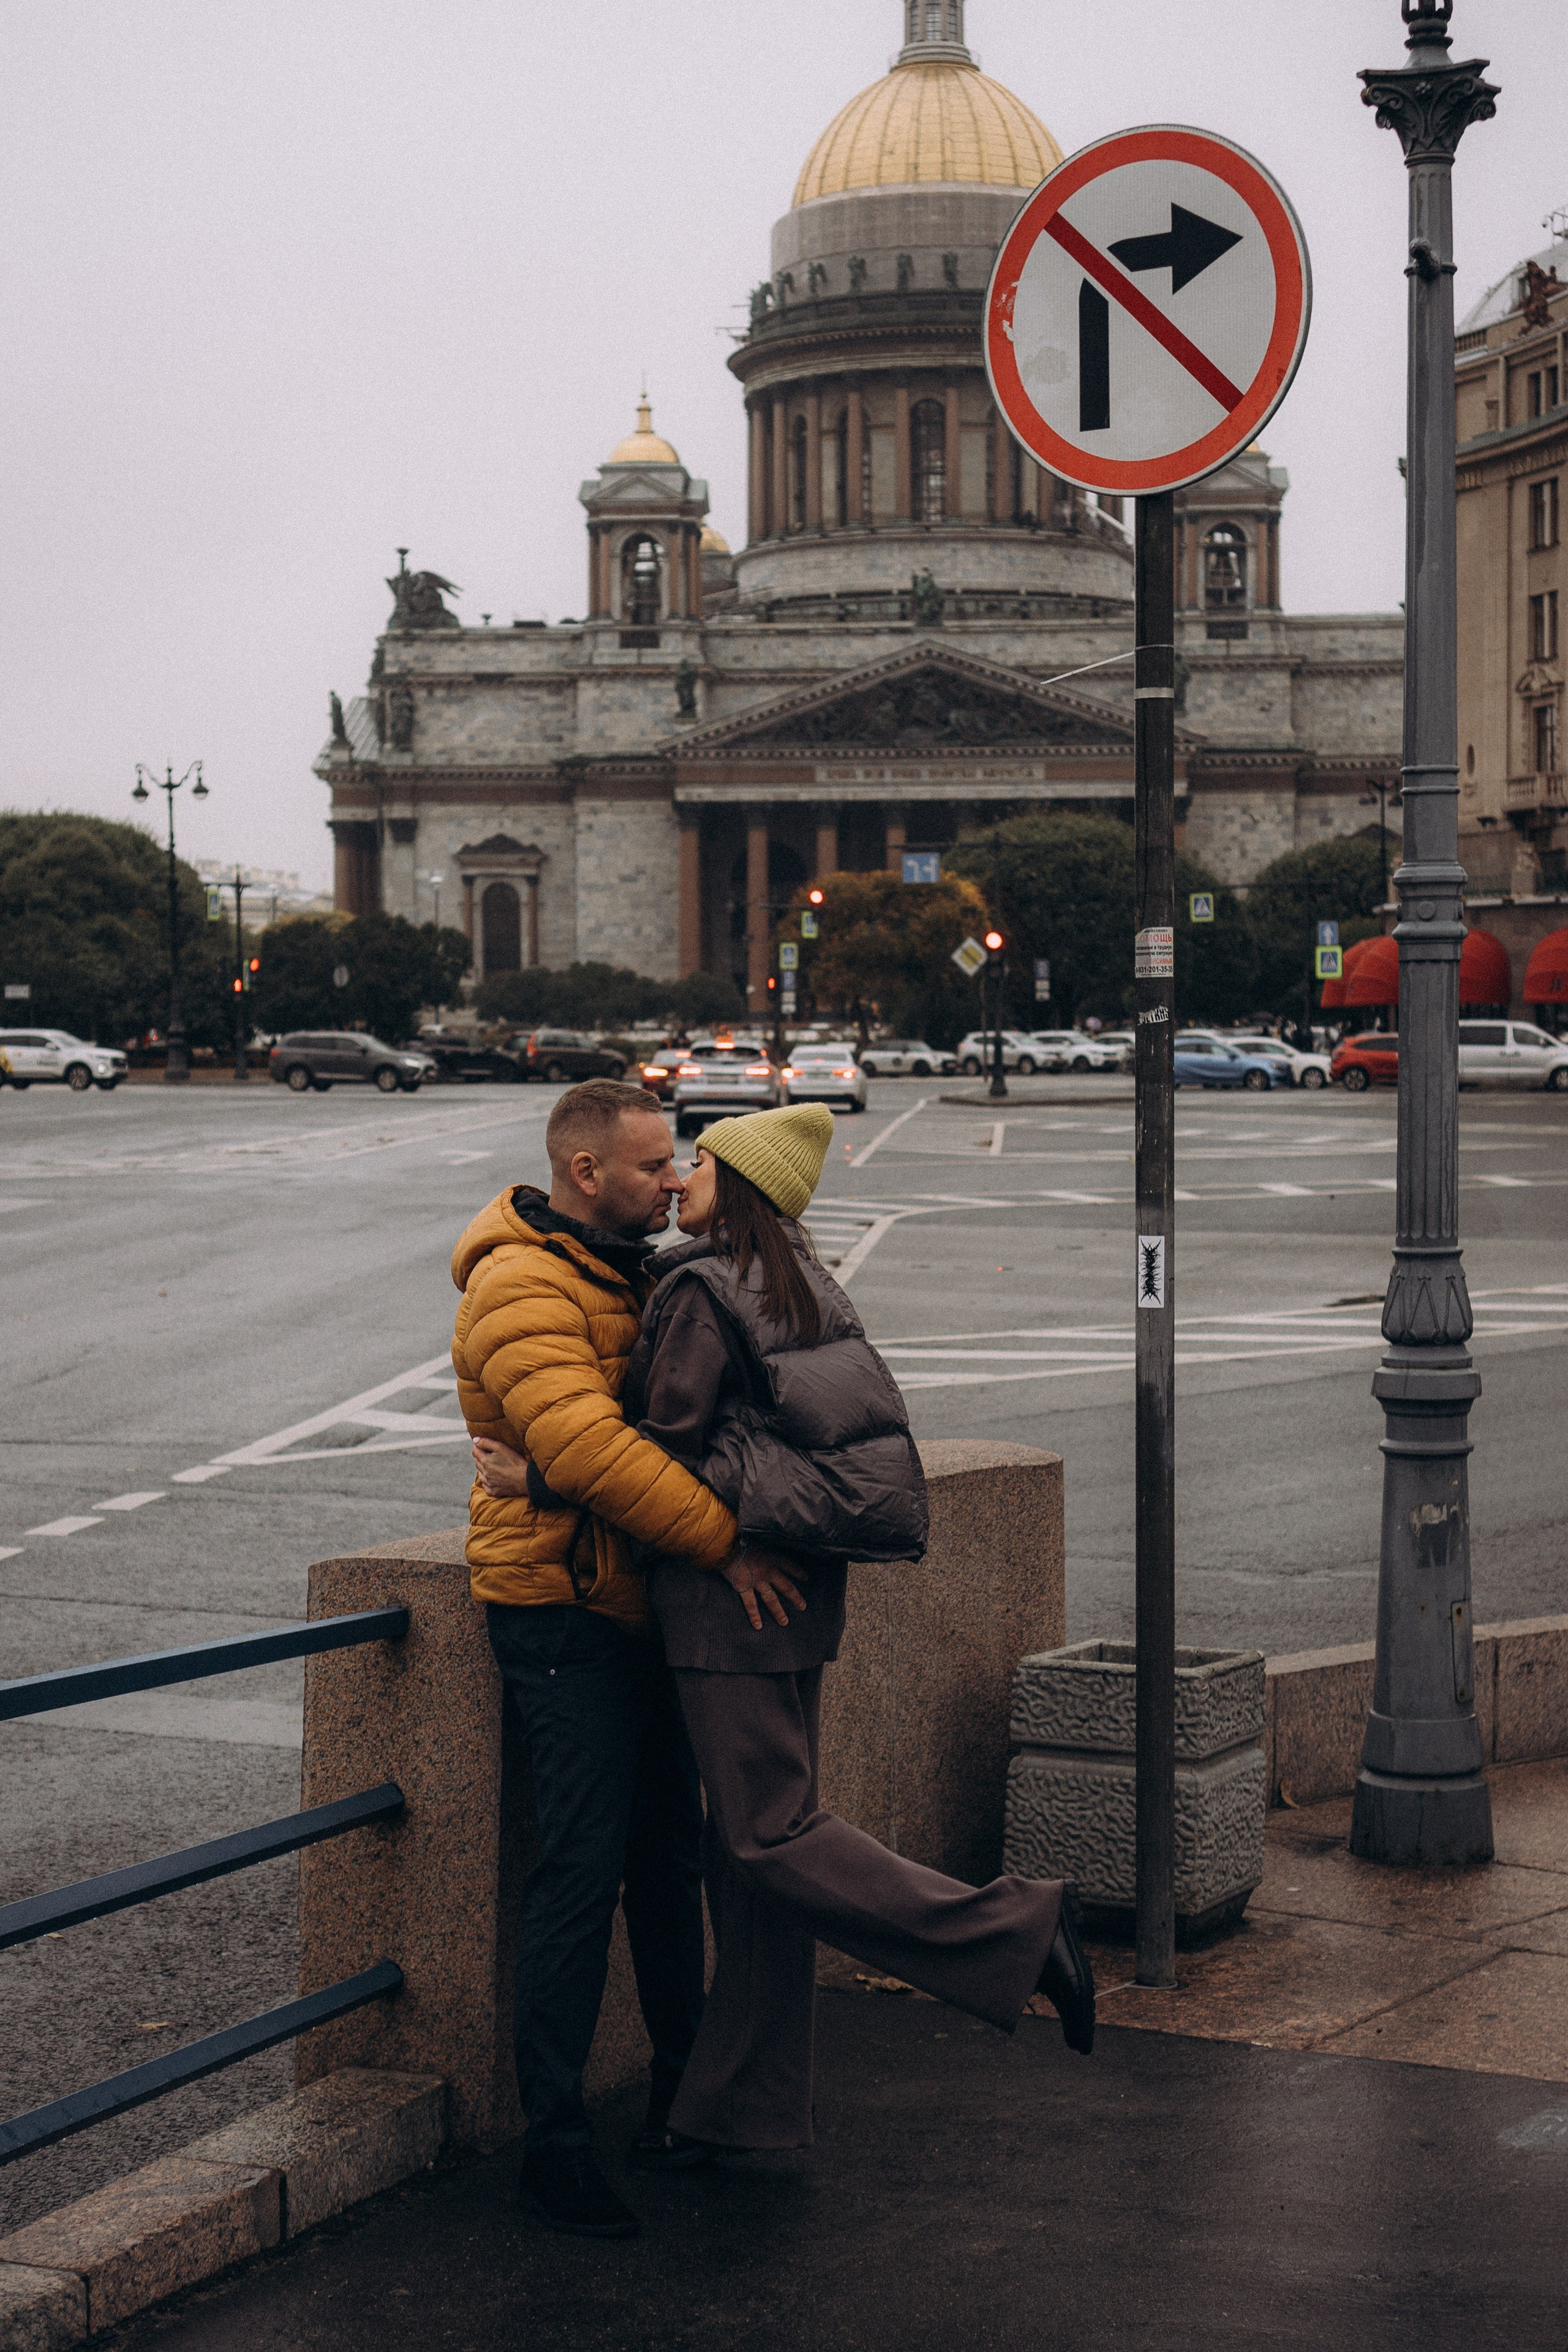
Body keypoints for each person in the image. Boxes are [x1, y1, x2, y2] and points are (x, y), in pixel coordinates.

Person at [479, 1102, 1095, 2166]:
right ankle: (741, 2109)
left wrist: (537, 1473)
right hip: (806, 1592)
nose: (679, 1180)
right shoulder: (802, 1280)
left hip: (731, 1604)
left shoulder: (698, 1291)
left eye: (698, 1162)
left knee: (768, 1837)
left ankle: (1017, 1934)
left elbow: (656, 1457)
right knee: (745, 1861)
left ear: (741, 1184)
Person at [450, 1077, 745, 2241]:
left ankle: (686, 2100)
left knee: (669, 1861)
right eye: (651, 1165)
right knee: (578, 1874)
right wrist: (731, 1548)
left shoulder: (630, 1267)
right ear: (586, 1174)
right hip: (562, 1614)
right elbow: (591, 1447)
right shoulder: (522, 1282)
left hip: (637, 1600)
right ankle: (553, 2147)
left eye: (677, 1162)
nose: (673, 1180)